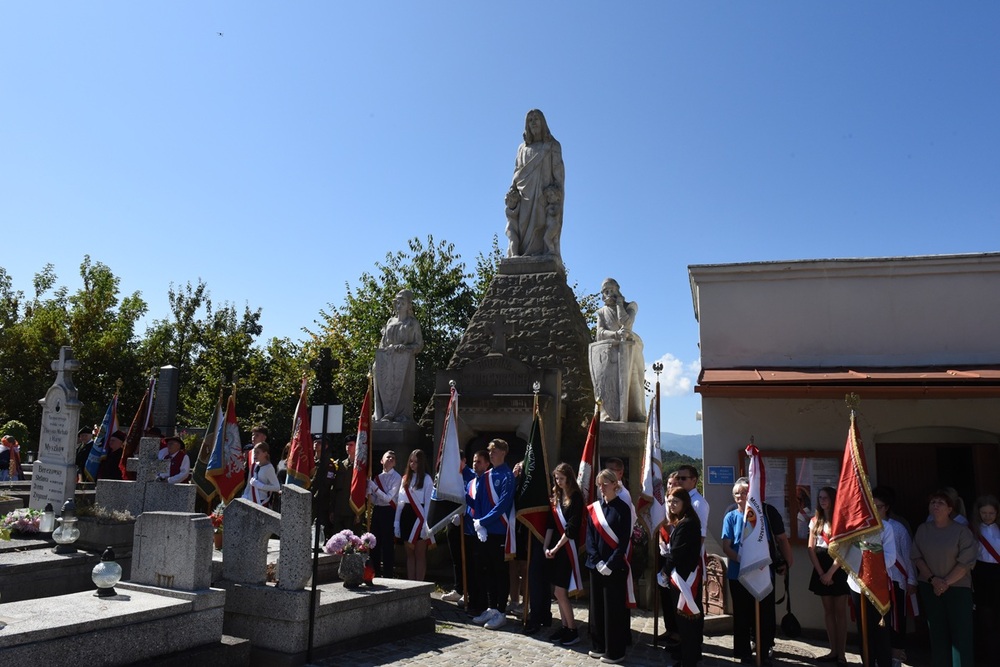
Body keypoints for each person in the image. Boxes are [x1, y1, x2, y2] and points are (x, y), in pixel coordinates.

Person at [721, 477, 791, 666]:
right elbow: (726, 545)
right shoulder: (730, 515)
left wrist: (787, 562)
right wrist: (742, 561)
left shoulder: (765, 514)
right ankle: (743, 651)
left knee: (764, 613)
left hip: (761, 572)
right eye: (737, 493)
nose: (740, 496)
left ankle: (764, 647)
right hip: (738, 573)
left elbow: (778, 540)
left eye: (744, 493)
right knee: (742, 614)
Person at [912, 489, 977, 667]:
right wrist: (934, 580)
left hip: (957, 588)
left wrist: (945, 582)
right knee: (937, 632)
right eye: (933, 502)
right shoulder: (923, 529)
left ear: (950, 509)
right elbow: (917, 557)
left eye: (940, 503)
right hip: (930, 587)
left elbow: (965, 563)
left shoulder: (961, 531)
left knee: (961, 634)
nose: (935, 506)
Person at [585, 468, 632, 665]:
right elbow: (590, 539)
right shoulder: (594, 508)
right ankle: (599, 645)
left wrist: (611, 563)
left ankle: (614, 651)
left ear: (615, 484)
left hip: (614, 567)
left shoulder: (623, 508)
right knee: (596, 608)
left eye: (605, 483)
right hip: (596, 565)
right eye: (599, 484)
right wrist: (597, 561)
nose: (602, 488)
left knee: (613, 610)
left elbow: (623, 541)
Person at [504, 108, 564, 259]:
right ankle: (519, 254)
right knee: (522, 226)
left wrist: (556, 191)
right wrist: (513, 190)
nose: (533, 122)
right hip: (524, 194)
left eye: (536, 119)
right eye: (530, 120)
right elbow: (517, 170)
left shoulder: (552, 146)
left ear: (543, 122)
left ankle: (545, 253)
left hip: (543, 194)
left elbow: (558, 172)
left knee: (542, 224)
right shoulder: (522, 148)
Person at [471, 438, 516, 631]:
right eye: (490, 451)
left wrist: (483, 521)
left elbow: (503, 505)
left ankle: (501, 610)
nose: (491, 454)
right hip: (484, 532)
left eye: (495, 451)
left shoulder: (507, 475)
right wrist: (479, 523)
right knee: (487, 570)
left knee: (500, 571)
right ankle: (490, 607)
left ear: (504, 452)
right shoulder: (486, 475)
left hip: (499, 531)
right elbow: (479, 501)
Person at [872, 485, 916, 666]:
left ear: (887, 507)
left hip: (896, 580)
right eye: (872, 505)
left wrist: (912, 579)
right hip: (875, 582)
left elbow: (908, 555)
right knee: (878, 623)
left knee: (897, 622)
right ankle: (879, 656)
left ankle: (896, 657)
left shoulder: (897, 528)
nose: (876, 509)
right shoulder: (867, 527)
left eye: (879, 506)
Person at [660, 487, 703, 667]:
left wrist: (663, 571)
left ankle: (689, 659)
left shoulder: (687, 523)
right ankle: (686, 653)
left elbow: (676, 553)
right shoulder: (683, 521)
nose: (671, 505)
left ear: (685, 503)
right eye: (669, 501)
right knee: (682, 620)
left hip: (685, 577)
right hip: (680, 575)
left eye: (675, 502)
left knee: (687, 621)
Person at [807, 486, 850, 666]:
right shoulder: (815, 521)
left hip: (838, 568)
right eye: (820, 497)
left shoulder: (841, 521)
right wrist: (821, 573)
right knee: (828, 611)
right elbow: (811, 548)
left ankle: (842, 653)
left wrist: (831, 573)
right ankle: (833, 650)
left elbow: (844, 548)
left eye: (825, 497)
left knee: (840, 612)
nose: (822, 500)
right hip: (821, 567)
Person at [543, 462, 584, 647]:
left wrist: (556, 548)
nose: (558, 482)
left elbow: (571, 529)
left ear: (569, 477)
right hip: (554, 550)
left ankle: (573, 629)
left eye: (561, 478)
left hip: (567, 549)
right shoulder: (557, 497)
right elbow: (551, 524)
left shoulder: (576, 497)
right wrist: (546, 547)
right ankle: (565, 626)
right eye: (556, 478)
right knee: (557, 592)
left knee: (561, 591)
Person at [594, 278, 646, 422]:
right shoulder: (601, 312)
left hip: (629, 348)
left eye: (611, 290)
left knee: (633, 379)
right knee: (609, 384)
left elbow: (626, 323)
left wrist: (619, 305)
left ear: (617, 289)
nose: (609, 293)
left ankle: (635, 412)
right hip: (610, 351)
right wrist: (615, 334)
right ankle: (608, 414)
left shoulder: (631, 306)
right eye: (606, 291)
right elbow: (599, 333)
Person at [373, 289, 424, 423]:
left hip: (404, 362)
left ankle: (400, 415)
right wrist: (384, 351)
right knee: (383, 384)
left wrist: (406, 348)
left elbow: (419, 345)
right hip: (387, 360)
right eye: (397, 302)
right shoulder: (390, 321)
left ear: (409, 305)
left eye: (402, 302)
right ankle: (383, 413)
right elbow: (382, 343)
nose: (399, 305)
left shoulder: (413, 323)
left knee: (403, 391)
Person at [394, 449, 434, 581]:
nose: (412, 464)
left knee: (420, 554)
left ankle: (420, 585)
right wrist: (397, 523)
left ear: (421, 463)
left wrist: (425, 525)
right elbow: (400, 503)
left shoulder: (427, 479)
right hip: (406, 516)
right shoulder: (405, 478)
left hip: (420, 518)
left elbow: (428, 503)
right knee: (409, 554)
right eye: (411, 461)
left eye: (416, 462)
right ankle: (411, 584)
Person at [443, 453, 477, 602]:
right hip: (453, 521)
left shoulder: (472, 476)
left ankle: (469, 591)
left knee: (467, 558)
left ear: (464, 460)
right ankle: (459, 588)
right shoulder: (450, 475)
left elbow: (472, 498)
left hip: (467, 523)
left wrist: (462, 513)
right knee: (456, 557)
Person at [464, 449, 491, 618]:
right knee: (470, 569)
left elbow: (481, 505)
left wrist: (465, 499)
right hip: (468, 529)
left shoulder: (487, 482)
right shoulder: (471, 482)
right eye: (474, 461)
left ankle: (481, 604)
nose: (475, 464)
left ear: (487, 464)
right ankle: (472, 600)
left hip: (481, 531)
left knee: (481, 570)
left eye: (479, 461)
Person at [367, 450, 401, 578]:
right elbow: (375, 500)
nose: (391, 459)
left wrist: (374, 488)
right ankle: (375, 571)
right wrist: (369, 494)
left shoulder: (397, 478)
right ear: (382, 461)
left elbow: (388, 498)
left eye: (393, 458)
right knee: (374, 542)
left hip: (389, 512)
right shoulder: (377, 478)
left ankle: (388, 573)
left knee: (387, 544)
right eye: (388, 457)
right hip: (378, 511)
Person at [658, 471, 682, 649]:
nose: (670, 486)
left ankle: (678, 632)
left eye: (674, 483)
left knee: (675, 595)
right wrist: (660, 541)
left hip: (676, 555)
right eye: (668, 483)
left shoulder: (681, 503)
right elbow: (660, 525)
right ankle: (669, 628)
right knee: (664, 595)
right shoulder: (663, 502)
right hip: (663, 552)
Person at [330, 437, 359, 533]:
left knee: (351, 542)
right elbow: (334, 489)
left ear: (356, 446)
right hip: (339, 509)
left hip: (352, 510)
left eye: (351, 445)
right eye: (347, 445)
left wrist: (359, 514)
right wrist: (332, 510)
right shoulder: (340, 465)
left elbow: (362, 491)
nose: (348, 447)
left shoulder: (360, 467)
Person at [240, 442, 279, 506]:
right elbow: (249, 484)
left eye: (258, 452)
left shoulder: (269, 468)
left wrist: (261, 486)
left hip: (261, 501)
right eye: (254, 452)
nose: (255, 455)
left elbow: (277, 487)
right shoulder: (253, 466)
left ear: (265, 454)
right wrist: (244, 495)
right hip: (250, 499)